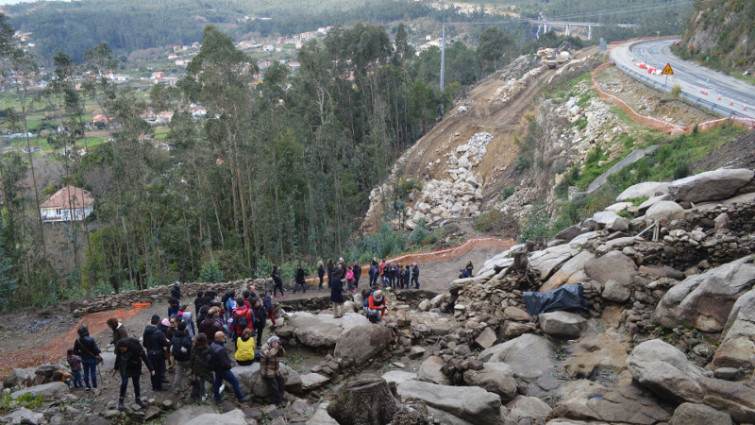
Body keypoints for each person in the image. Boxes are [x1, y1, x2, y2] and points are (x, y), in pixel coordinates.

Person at [209, 331, 251, 404]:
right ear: (218, 338)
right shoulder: (220, 349)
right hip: (223, 369)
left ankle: (217, 398)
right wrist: (230, 365)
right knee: (235, 381)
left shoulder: (213, 344)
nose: (224, 337)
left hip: (216, 368)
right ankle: (241, 397)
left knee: (217, 382)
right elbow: (224, 362)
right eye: (222, 336)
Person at [113, 337, 154, 411]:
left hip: (135, 366)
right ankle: (121, 401)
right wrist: (115, 368)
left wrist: (151, 369)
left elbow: (144, 357)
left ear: (127, 347)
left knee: (136, 383)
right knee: (124, 383)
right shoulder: (119, 347)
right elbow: (118, 357)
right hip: (124, 366)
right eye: (121, 349)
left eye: (123, 349)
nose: (122, 350)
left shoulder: (136, 347)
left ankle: (138, 399)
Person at [142, 314, 168, 391]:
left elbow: (144, 343)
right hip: (158, 353)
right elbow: (164, 343)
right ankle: (159, 387)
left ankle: (154, 386)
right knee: (159, 370)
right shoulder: (159, 332)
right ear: (158, 322)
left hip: (149, 353)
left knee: (152, 370)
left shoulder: (146, 331)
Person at [260, 336, 287, 407]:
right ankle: (278, 402)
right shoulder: (265, 347)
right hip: (267, 371)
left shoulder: (276, 347)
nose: (276, 343)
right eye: (275, 342)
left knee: (281, 381)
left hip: (275, 370)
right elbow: (268, 355)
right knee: (274, 385)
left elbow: (283, 354)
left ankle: (280, 397)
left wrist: (280, 348)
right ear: (271, 342)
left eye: (277, 342)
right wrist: (275, 348)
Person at [73, 324, 101, 391]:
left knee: (85, 373)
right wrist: (98, 352)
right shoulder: (91, 339)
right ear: (87, 331)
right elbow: (96, 350)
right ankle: (94, 386)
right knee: (93, 372)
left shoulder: (77, 340)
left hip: (84, 359)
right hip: (92, 358)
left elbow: (75, 351)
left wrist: (81, 354)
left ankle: (88, 386)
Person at [170, 321, 193, 393]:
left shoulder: (174, 337)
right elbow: (190, 348)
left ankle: (176, 388)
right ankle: (191, 385)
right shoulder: (187, 337)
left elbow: (171, 347)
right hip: (187, 359)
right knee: (190, 372)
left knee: (178, 373)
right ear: (184, 328)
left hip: (178, 359)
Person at [189, 333, 212, 401]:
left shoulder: (193, 348)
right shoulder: (208, 349)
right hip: (206, 367)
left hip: (197, 367)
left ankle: (203, 395)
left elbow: (192, 359)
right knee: (212, 377)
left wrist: (192, 369)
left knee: (202, 381)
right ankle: (216, 389)